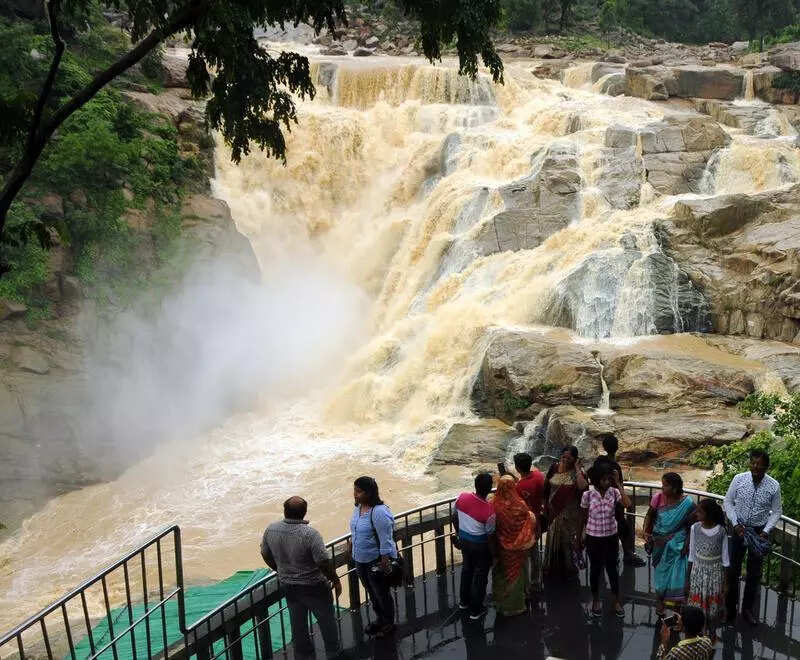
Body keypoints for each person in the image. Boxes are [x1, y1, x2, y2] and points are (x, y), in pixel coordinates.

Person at [261, 496, 342, 659]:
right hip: (314, 586)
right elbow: (323, 562)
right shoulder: (310, 534)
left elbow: (265, 554)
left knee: (298, 625)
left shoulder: (271, 529)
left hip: (288, 585)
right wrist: (335, 580)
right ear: (304, 512)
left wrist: (279, 569)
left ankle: (304, 655)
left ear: (285, 511)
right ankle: (333, 653)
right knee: (327, 621)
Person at [723, 449, 782, 626]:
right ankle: (730, 609)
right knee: (733, 571)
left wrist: (766, 531)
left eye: (759, 464)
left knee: (754, 573)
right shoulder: (739, 479)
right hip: (738, 528)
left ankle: (747, 609)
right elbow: (728, 502)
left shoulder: (773, 486)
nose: (755, 467)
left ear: (767, 466)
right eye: (753, 463)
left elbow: (777, 511)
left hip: (758, 532)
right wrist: (735, 524)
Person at [349, 476, 397, 637]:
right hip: (360, 559)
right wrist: (352, 543)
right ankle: (380, 619)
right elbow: (356, 529)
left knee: (381, 592)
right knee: (371, 591)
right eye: (354, 490)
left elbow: (385, 538)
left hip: (375, 560)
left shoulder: (379, 512)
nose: (355, 494)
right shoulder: (358, 508)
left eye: (359, 491)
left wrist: (385, 561)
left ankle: (388, 622)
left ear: (369, 493)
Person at [644, 472, 696, 614]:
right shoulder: (658, 498)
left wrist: (687, 543)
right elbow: (650, 515)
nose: (662, 488)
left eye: (665, 485)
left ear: (675, 488)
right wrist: (646, 532)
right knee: (660, 575)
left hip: (677, 545)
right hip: (659, 543)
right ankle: (659, 601)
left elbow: (692, 526)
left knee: (676, 576)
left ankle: (676, 606)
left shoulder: (688, 504)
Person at [578, 461, 625, 617]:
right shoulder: (588, 495)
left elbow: (628, 504)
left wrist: (618, 484)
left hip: (611, 537)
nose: (607, 482)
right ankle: (596, 599)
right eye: (604, 479)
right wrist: (579, 537)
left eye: (609, 479)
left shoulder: (614, 492)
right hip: (593, 537)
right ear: (596, 480)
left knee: (612, 569)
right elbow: (583, 518)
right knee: (595, 569)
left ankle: (616, 601)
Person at [595, 433, 646, 567]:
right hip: (614, 502)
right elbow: (619, 486)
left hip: (600, 501)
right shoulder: (614, 467)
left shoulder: (598, 462)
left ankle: (606, 556)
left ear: (604, 447)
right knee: (622, 528)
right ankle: (627, 554)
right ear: (617, 447)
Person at [452, 472, 496, 619]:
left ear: (475, 485)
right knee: (480, 576)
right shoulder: (489, 510)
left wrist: (459, 533)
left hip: (465, 542)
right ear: (489, 489)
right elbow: (490, 535)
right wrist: (493, 554)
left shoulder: (461, 497)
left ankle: (463, 602)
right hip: (480, 546)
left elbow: (454, 516)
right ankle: (476, 611)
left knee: (467, 570)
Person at [492, 475, 536, 616]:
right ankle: (517, 604)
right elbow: (530, 518)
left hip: (502, 546)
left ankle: (502, 603)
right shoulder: (520, 505)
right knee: (518, 573)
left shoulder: (494, 504)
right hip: (519, 547)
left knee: (504, 573)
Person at [687, 498, 729, 640]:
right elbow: (692, 555)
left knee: (712, 607)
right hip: (697, 572)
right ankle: (699, 634)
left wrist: (725, 584)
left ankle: (711, 633)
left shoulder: (721, 531)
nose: (696, 513)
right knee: (697, 606)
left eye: (699, 511)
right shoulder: (695, 528)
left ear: (709, 514)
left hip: (715, 574)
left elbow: (725, 559)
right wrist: (687, 579)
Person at [543, 446, 588, 576]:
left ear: (575, 459)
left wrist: (577, 469)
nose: (566, 460)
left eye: (569, 458)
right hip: (554, 512)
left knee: (568, 542)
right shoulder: (554, 468)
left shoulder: (579, 473)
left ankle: (570, 570)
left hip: (571, 515)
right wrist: (545, 505)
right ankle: (553, 569)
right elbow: (546, 487)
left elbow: (583, 487)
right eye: (563, 457)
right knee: (553, 541)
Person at [513, 452, 545, 591]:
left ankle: (525, 586)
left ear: (517, 468)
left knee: (524, 555)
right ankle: (536, 581)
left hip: (524, 523)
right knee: (534, 552)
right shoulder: (539, 476)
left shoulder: (518, 487)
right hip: (536, 519)